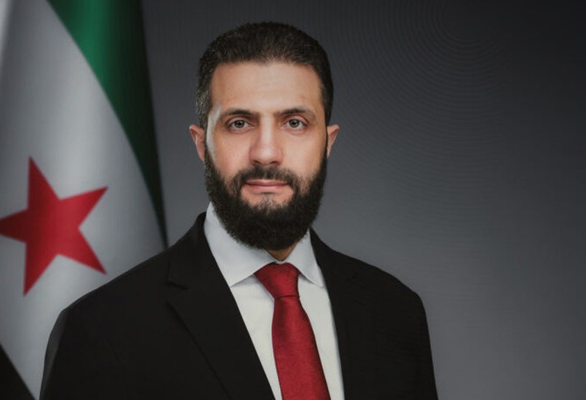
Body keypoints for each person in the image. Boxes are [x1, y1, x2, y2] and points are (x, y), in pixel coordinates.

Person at [40, 22, 438, 400]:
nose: (266, 152)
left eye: (294, 123)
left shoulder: (395, 312)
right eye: (239, 123)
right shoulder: (102, 329)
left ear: (327, 142)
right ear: (201, 143)